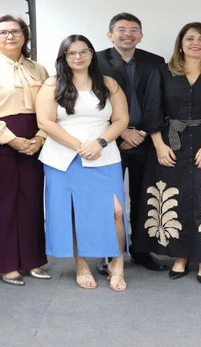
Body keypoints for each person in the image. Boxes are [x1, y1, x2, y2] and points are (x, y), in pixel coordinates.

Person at [134, 22, 201, 285]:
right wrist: (159, 145)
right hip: (171, 145)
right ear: (180, 43)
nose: (196, 43)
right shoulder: (162, 72)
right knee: (177, 199)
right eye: (190, 38)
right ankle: (179, 256)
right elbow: (152, 109)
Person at [36, 34, 130, 292]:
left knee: (116, 212)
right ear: (63, 57)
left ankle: (117, 265)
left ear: (92, 54)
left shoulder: (108, 83)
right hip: (64, 159)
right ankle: (81, 265)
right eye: (71, 53)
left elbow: (121, 119)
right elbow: (45, 122)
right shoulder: (51, 85)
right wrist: (79, 147)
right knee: (74, 213)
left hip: (104, 155)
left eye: (83, 51)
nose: (78, 57)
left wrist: (98, 143)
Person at [0, 15, 49, 286]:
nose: (10, 37)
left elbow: (50, 108)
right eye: (3, 33)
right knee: (0, 204)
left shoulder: (39, 69)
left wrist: (40, 137)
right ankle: (5, 264)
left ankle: (32, 259)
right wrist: (10, 138)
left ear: (24, 35)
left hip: (34, 140)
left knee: (31, 201)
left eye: (15, 31)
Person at [95, 12, 168, 275]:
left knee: (143, 197)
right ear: (110, 34)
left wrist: (145, 133)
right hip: (108, 141)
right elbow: (92, 103)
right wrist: (122, 131)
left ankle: (140, 250)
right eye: (122, 29)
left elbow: (160, 101)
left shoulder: (155, 62)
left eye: (134, 29)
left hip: (146, 141)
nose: (128, 34)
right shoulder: (96, 61)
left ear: (141, 35)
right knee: (110, 200)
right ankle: (108, 252)